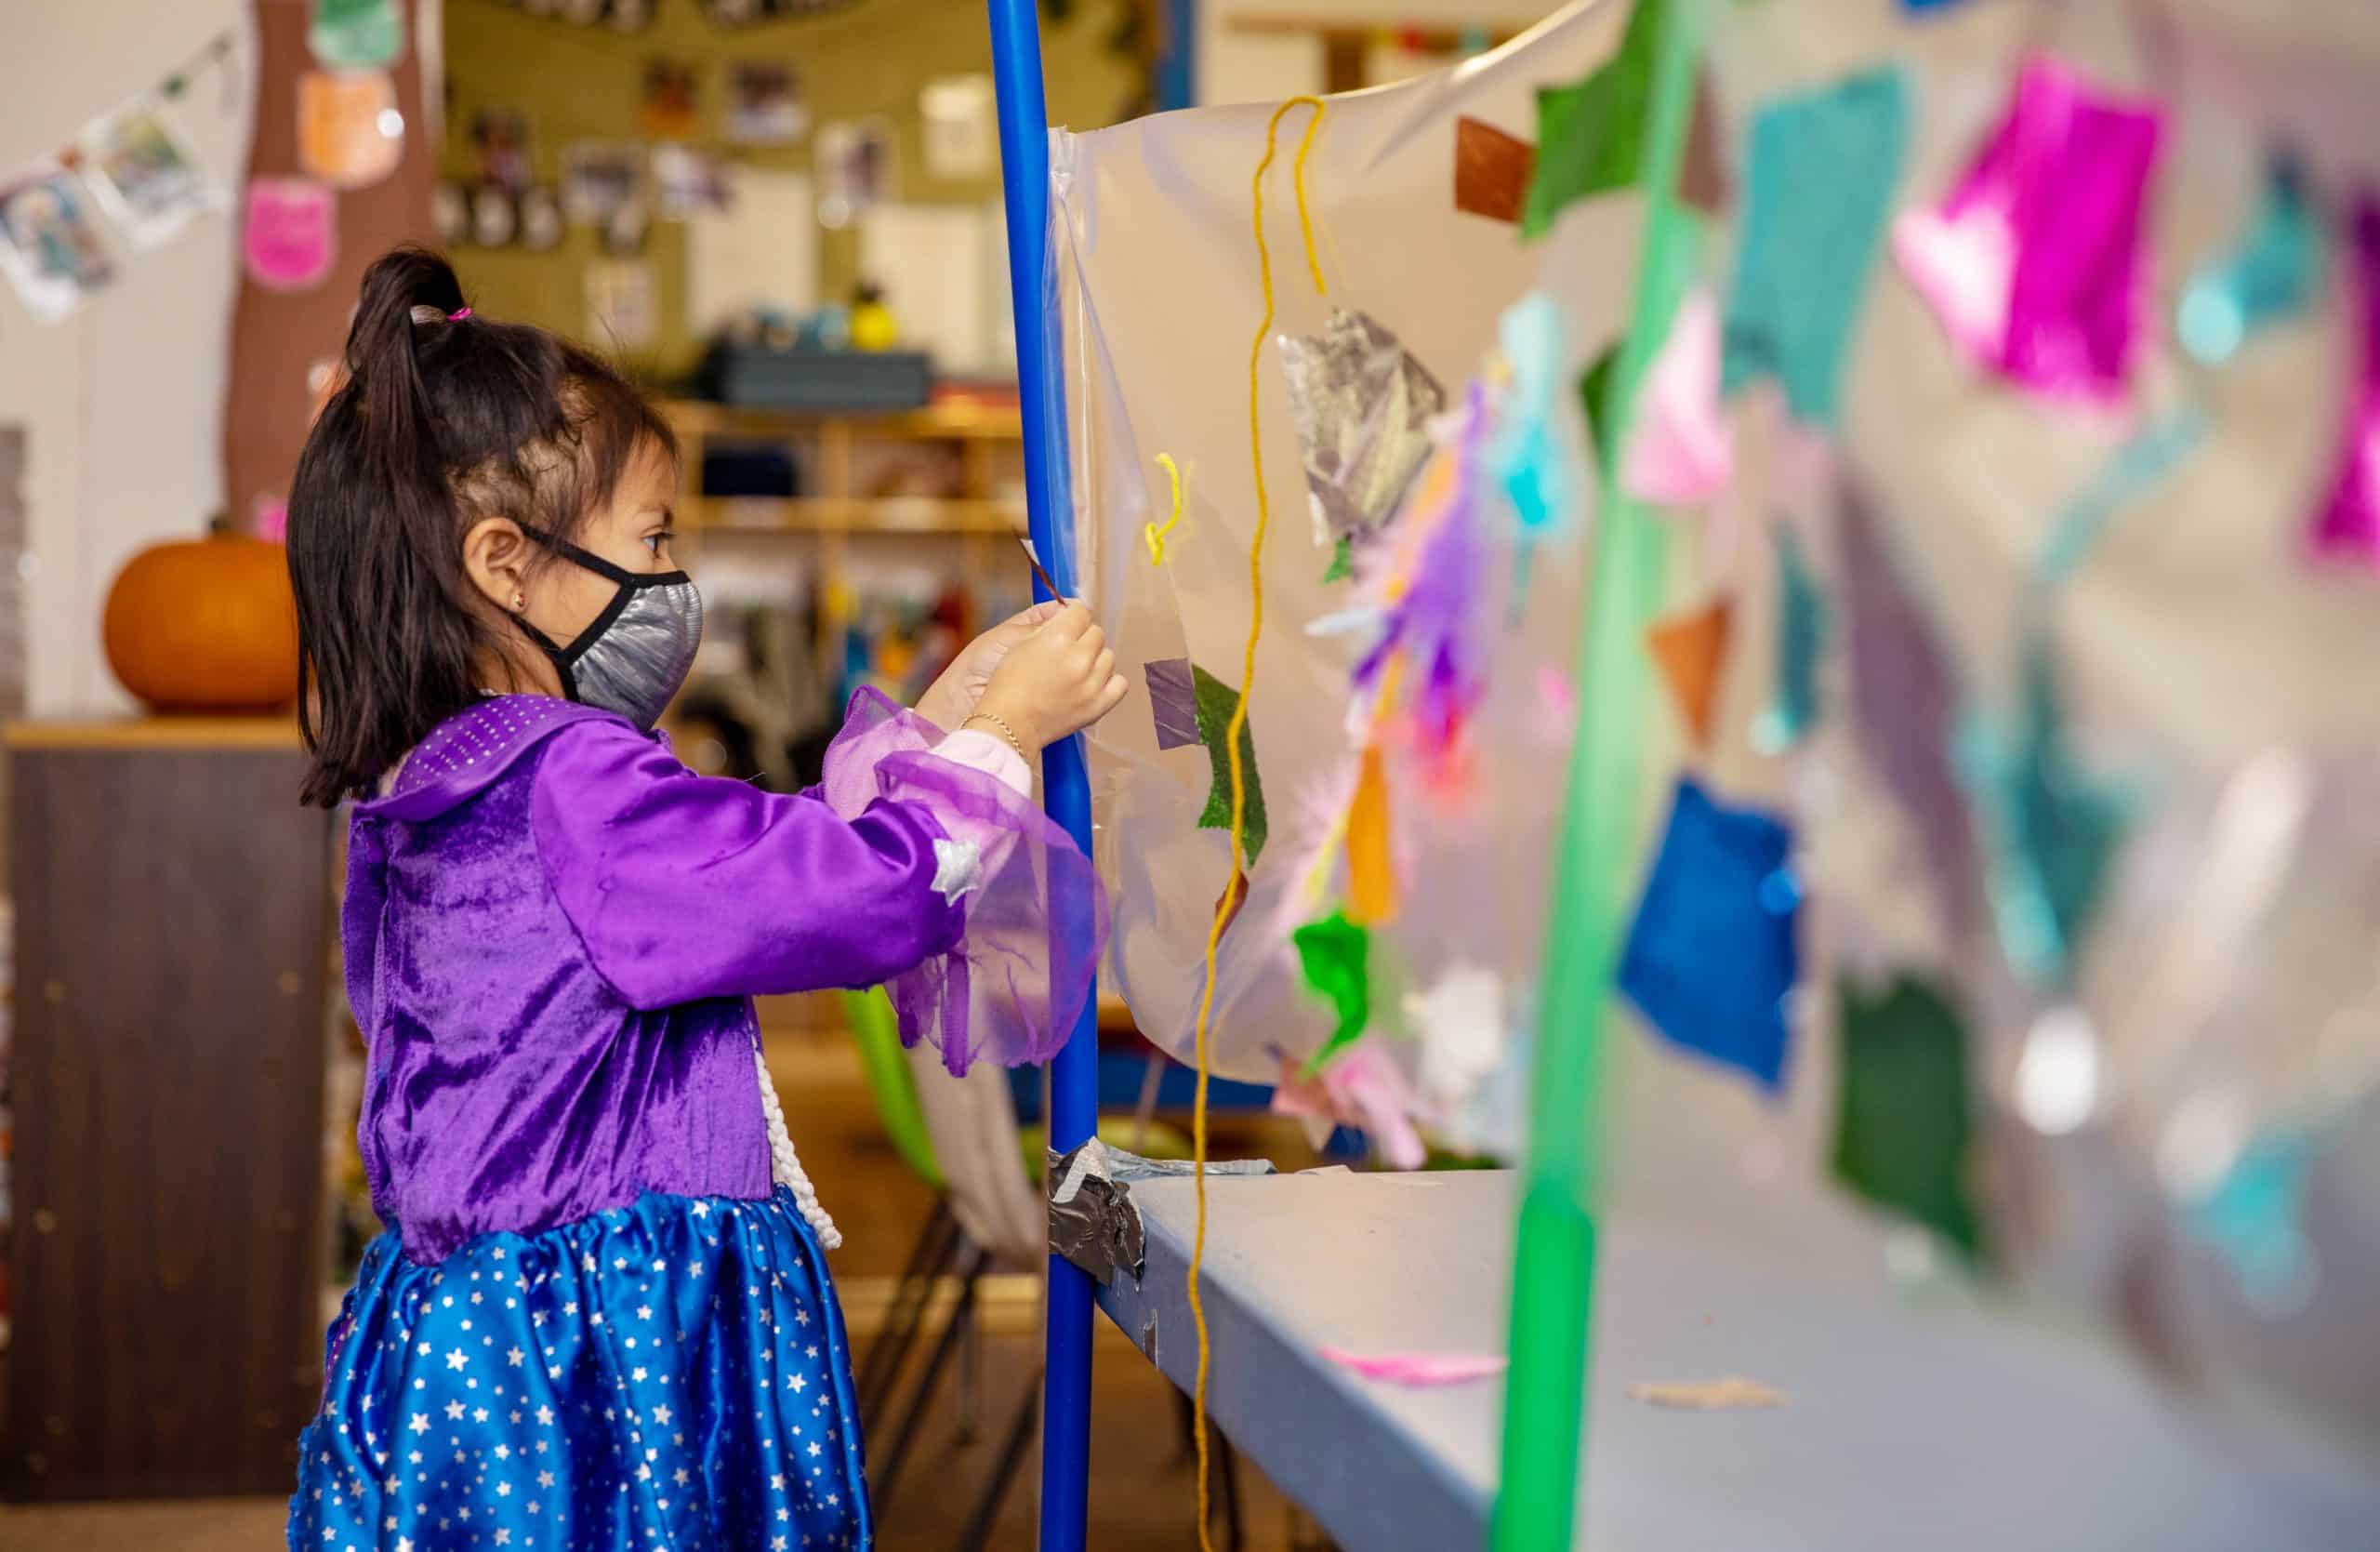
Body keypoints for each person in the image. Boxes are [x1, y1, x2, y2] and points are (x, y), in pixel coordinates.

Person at [284, 247, 1123, 1551]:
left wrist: (957, 712)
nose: (679, 583)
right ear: (506, 562)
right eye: (655, 540)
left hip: (468, 1341)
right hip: (603, 1360)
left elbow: (761, 861)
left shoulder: (442, 786)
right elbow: (853, 893)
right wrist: (1006, 739)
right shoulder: (577, 781)